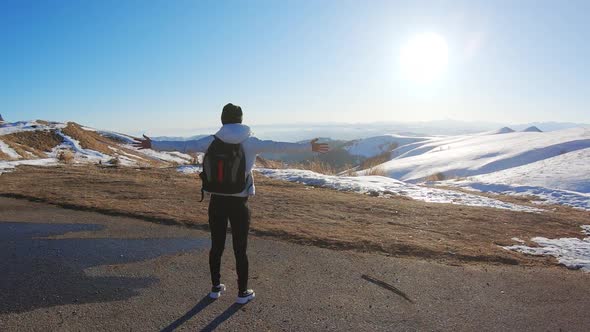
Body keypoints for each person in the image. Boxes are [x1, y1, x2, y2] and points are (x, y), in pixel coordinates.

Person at [133, 103, 329, 304]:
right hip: (239, 203)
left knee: (216, 245)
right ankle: (242, 293)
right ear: (241, 119)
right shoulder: (251, 142)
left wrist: (153, 144)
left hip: (216, 201)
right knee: (240, 248)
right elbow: (278, 145)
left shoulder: (211, 141)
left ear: (222, 120)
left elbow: (183, 146)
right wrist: (308, 147)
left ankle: (215, 288)